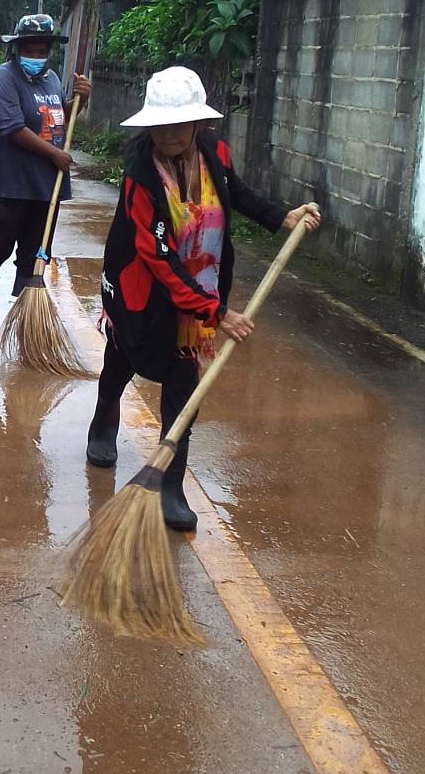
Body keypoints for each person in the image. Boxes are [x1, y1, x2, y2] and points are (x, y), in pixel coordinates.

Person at [89, 66, 321, 529]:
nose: (171, 134)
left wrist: (283, 218)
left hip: (201, 281)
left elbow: (237, 194)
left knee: (182, 378)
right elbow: (156, 258)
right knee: (124, 355)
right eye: (162, 125)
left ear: (198, 123)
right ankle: (103, 421)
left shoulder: (215, 152)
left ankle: (171, 482)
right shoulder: (140, 175)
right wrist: (216, 313)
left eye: (180, 124)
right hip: (142, 289)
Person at [0, 13, 92, 333]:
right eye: (30, 50)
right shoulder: (3, 79)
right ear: (17, 49)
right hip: (9, 185)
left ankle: (28, 322)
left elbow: (58, 121)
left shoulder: (52, 80)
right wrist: (55, 154)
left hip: (46, 186)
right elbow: (11, 127)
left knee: (37, 254)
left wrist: (81, 100)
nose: (37, 57)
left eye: (42, 51)